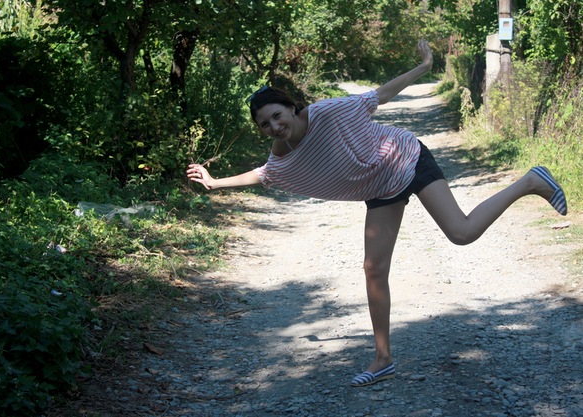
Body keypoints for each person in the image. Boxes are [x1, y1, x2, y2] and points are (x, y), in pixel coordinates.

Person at [186, 39, 568, 387]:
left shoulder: (328, 112)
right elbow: (263, 174)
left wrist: (425, 66)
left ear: (291, 107)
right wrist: (215, 183)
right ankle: (383, 358)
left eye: (276, 115)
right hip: (381, 187)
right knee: (373, 268)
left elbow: (380, 95)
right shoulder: (282, 154)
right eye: (264, 124)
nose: (274, 126)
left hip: (405, 158)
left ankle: (529, 182)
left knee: (461, 232)